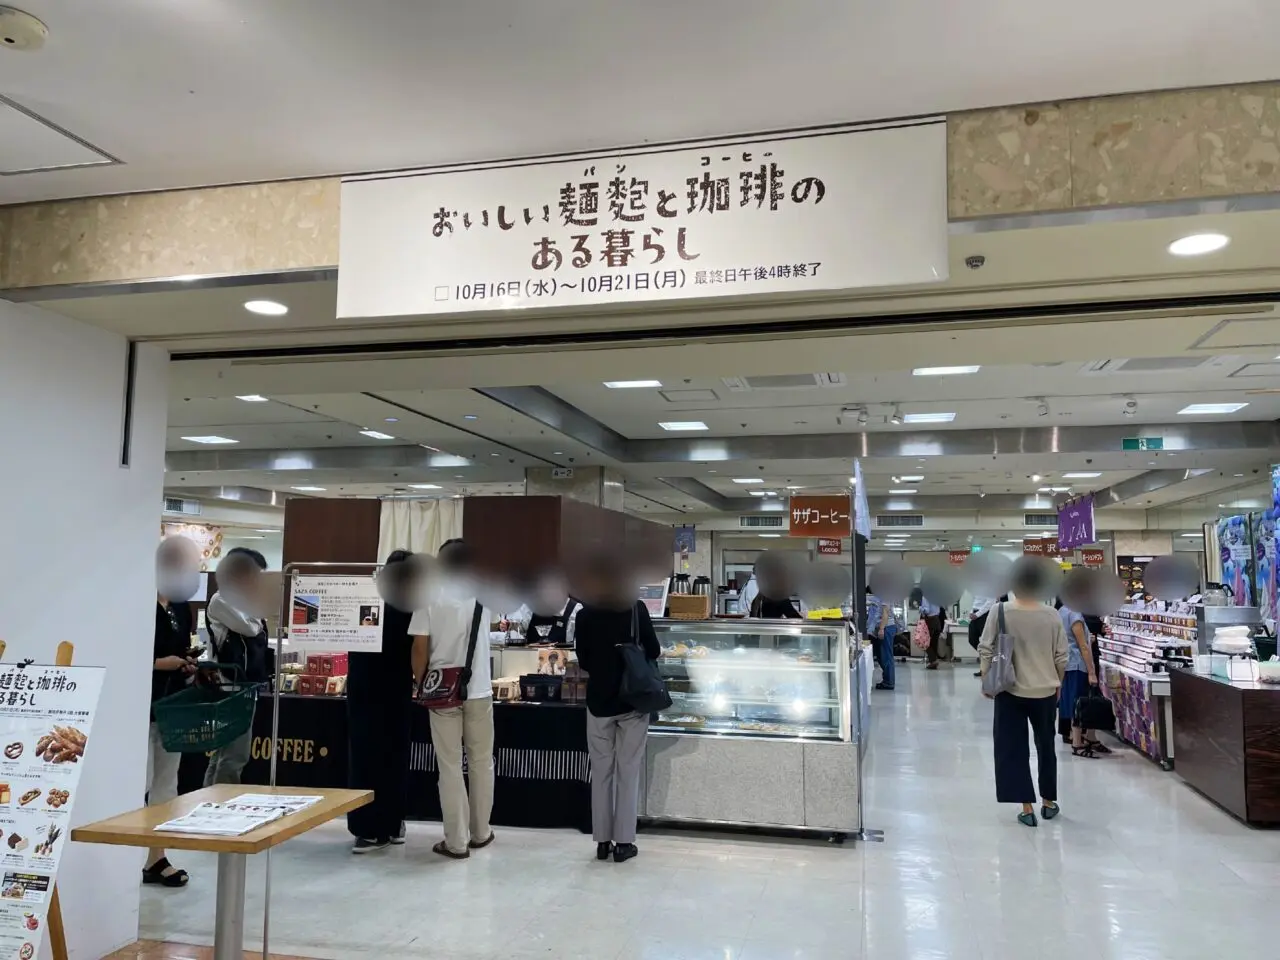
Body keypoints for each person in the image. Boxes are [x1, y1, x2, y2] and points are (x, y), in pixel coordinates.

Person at [573, 553, 660, 863]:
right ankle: (624, 843)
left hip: (599, 702)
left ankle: (601, 841)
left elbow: (582, 659)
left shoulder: (584, 614)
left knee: (601, 772)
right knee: (628, 770)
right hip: (633, 701)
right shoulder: (635, 609)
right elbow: (655, 649)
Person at [411, 539, 495, 860]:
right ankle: (481, 831)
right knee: (481, 762)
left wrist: (420, 683)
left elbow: (420, 647)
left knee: (449, 766)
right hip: (480, 690)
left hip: (443, 690)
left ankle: (456, 841)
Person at [979, 559, 1068, 827]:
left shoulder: (1000, 611)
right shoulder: (1052, 614)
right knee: (1046, 746)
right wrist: (1057, 683)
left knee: (1012, 749)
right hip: (1044, 691)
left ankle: (1026, 807)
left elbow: (986, 647)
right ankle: (1049, 801)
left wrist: (987, 679)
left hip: (1009, 690)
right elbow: (1061, 657)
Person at [347, 549, 417, 853]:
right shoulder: (412, 603)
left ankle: (369, 828)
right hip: (395, 687)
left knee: (366, 756)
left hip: (366, 687)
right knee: (394, 755)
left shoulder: (365, 597)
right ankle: (392, 822)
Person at [145, 537, 200, 888]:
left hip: (172, 706)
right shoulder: (136, 599)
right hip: (138, 705)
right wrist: (156, 663)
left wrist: (188, 664)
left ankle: (156, 856)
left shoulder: (180, 605)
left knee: (166, 783)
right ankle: (123, 853)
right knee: (140, 782)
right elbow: (122, 650)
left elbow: (181, 648)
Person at [204, 547, 271, 786]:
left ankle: (209, 801)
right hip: (229, 685)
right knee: (234, 754)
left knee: (226, 753)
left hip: (243, 684)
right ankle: (220, 804)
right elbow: (252, 627)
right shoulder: (222, 599)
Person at [1058, 601, 1108, 757]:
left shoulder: (1061, 611)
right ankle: (1077, 742)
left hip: (1066, 664)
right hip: (1078, 664)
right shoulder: (1075, 614)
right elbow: (1083, 646)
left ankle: (1078, 737)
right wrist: (1091, 672)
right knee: (1079, 702)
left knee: (1072, 701)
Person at [866, 587, 896, 691]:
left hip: (886, 627)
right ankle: (887, 680)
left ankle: (889, 682)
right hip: (882, 627)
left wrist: (882, 628)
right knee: (881, 655)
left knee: (886, 656)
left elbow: (885, 612)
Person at [920, 595, 944, 669]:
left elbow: (927, 610)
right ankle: (933, 662)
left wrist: (920, 608)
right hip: (937, 620)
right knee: (933, 643)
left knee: (924, 641)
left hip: (930, 620)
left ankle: (933, 661)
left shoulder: (925, 596)